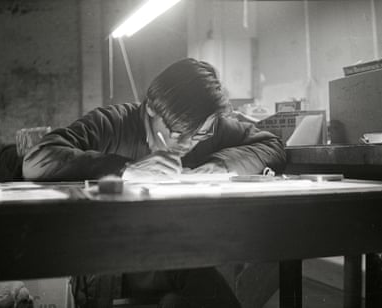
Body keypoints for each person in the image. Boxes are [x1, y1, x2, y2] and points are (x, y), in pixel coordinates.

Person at [23, 58, 286, 308]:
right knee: (191, 272)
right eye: (178, 133)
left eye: (199, 135)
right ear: (150, 107)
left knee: (183, 295)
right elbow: (37, 159)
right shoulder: (112, 124)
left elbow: (271, 144)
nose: (186, 145)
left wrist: (220, 165)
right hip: (108, 260)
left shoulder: (207, 130)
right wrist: (125, 170)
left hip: (177, 245)